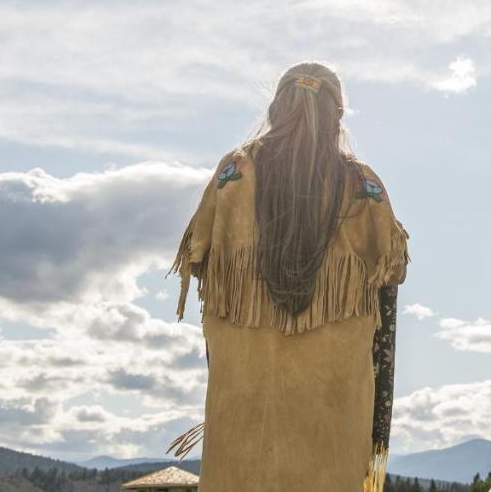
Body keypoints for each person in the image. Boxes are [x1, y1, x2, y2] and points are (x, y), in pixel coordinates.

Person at [170, 62, 409, 491]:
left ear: (276, 107)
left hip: (241, 407)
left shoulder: (234, 176)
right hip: (333, 418)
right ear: (336, 116)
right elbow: (389, 292)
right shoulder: (362, 187)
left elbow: (199, 263)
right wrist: (378, 423)